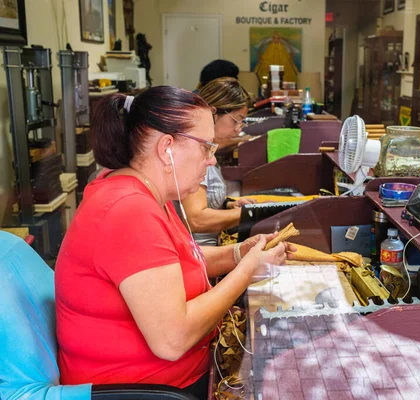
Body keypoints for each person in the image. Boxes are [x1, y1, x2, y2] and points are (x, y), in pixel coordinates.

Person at [54, 86, 293, 399]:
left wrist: (238, 253)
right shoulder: (129, 210)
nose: (211, 160)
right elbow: (173, 339)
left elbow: (172, 263)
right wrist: (248, 270)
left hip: (162, 381)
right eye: (207, 147)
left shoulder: (139, 189)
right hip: (147, 391)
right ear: (167, 148)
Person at [182, 77, 255, 246]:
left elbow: (202, 198)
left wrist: (228, 205)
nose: (239, 129)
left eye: (242, 122)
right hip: (199, 254)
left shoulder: (207, 148)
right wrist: (250, 214)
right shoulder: (195, 152)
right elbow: (196, 218)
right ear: (213, 113)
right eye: (236, 120)